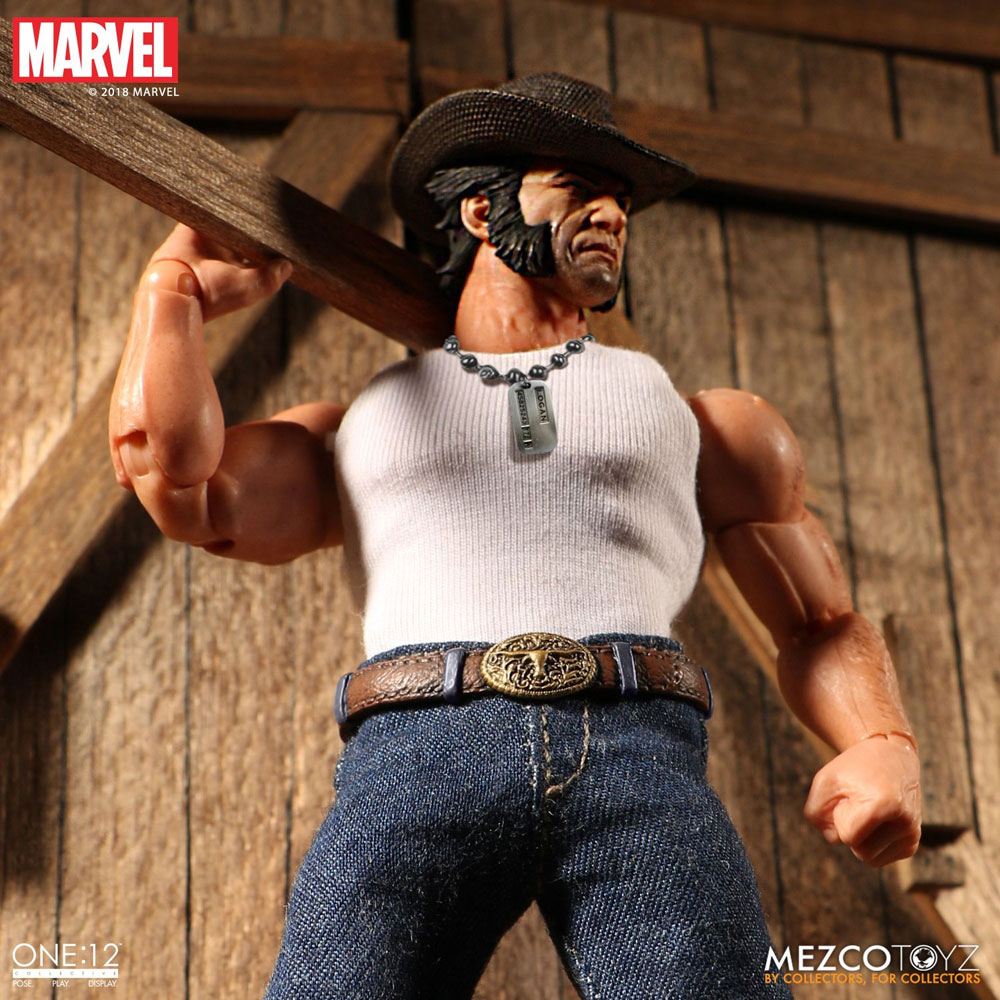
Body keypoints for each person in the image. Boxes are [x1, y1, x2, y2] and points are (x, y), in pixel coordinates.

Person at [110, 74, 922, 1000]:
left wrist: (880, 737)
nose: (610, 214)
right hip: (415, 753)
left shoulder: (705, 423)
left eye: (621, 201)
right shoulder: (367, 423)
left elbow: (819, 619)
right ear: (481, 212)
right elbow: (185, 489)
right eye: (576, 188)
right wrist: (171, 301)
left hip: (638, 749)